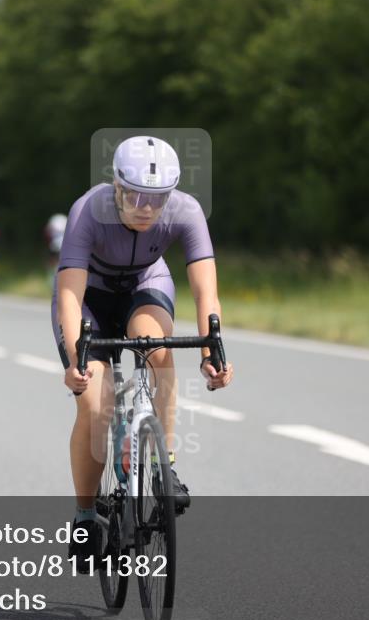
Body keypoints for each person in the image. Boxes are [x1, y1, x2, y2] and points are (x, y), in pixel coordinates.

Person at [52, 136, 234, 572]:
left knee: (157, 351)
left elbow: (206, 290)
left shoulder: (186, 211)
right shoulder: (87, 210)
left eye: (157, 198)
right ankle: (85, 518)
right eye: (134, 195)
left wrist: (214, 349)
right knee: (95, 407)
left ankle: (165, 464)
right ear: (115, 185)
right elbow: (70, 295)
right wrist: (78, 359)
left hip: (144, 286)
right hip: (90, 299)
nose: (146, 207)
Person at [45, 213, 68, 284]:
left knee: (54, 267)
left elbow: (47, 235)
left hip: (56, 247)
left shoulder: (53, 223)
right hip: (64, 247)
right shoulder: (64, 221)